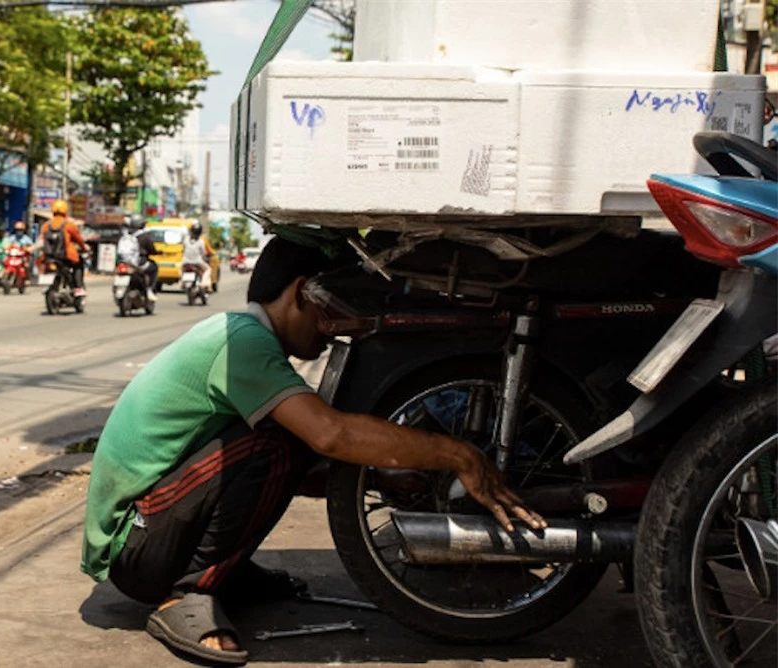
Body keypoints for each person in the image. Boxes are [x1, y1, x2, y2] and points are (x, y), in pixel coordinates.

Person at [81, 236, 545, 665]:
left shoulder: (245, 338)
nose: (333, 330)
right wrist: (459, 455)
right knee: (285, 439)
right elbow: (329, 435)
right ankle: (185, 593)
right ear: (301, 292)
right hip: (134, 548)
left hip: (149, 534)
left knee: (287, 442)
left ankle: (225, 572)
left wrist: (382, 479)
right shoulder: (241, 342)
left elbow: (285, 471)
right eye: (331, 312)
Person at [40, 199, 88, 297]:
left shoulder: (46, 225)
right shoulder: (69, 225)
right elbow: (78, 239)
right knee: (79, 264)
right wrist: (85, 248)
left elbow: (43, 239)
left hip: (49, 256)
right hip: (67, 256)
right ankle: (78, 288)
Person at [116, 215, 158, 302]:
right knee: (154, 267)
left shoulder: (124, 235)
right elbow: (152, 249)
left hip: (123, 262)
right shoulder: (144, 236)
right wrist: (157, 252)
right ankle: (149, 290)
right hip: (139, 263)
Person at [181, 221, 214, 292]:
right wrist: (205, 258)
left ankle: (182, 282)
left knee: (182, 269)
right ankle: (204, 283)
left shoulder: (186, 239)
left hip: (185, 262)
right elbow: (203, 253)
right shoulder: (201, 241)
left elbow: (183, 249)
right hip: (198, 262)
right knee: (208, 269)